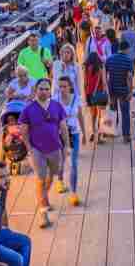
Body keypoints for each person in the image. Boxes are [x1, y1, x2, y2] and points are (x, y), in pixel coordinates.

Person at [19, 79, 69, 228]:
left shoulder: (56, 106)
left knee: (52, 175)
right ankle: (43, 213)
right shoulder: (28, 109)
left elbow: (63, 127)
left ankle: (44, 198)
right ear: (36, 90)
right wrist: (29, 148)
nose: (44, 91)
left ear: (50, 91)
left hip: (55, 148)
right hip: (37, 150)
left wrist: (66, 145)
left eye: (47, 89)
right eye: (41, 89)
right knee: (40, 179)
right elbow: (24, 130)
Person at [0, 162, 31, 266]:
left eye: (8, 175)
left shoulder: (2, 188)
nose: (7, 179)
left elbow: (3, 210)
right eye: (2, 177)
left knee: (25, 242)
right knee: (17, 260)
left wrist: (6, 228)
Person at [56, 76, 87, 205]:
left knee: (73, 163)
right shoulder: (55, 100)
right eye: (60, 86)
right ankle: (60, 180)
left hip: (74, 133)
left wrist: (84, 133)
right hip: (59, 134)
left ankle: (73, 193)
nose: (62, 89)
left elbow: (80, 115)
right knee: (61, 160)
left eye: (64, 86)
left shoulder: (76, 99)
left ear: (70, 86)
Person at [105, 40, 135, 143]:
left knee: (113, 111)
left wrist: (107, 89)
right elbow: (130, 77)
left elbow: (106, 74)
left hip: (112, 89)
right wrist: (130, 91)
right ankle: (126, 136)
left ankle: (112, 131)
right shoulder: (128, 60)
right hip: (123, 91)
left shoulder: (110, 59)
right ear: (127, 49)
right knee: (125, 113)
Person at [83, 51, 108, 143]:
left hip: (90, 94)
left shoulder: (86, 68)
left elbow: (85, 83)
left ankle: (93, 134)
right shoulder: (101, 67)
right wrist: (106, 93)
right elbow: (104, 82)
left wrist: (86, 95)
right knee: (101, 115)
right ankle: (100, 136)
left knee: (93, 115)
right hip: (99, 93)